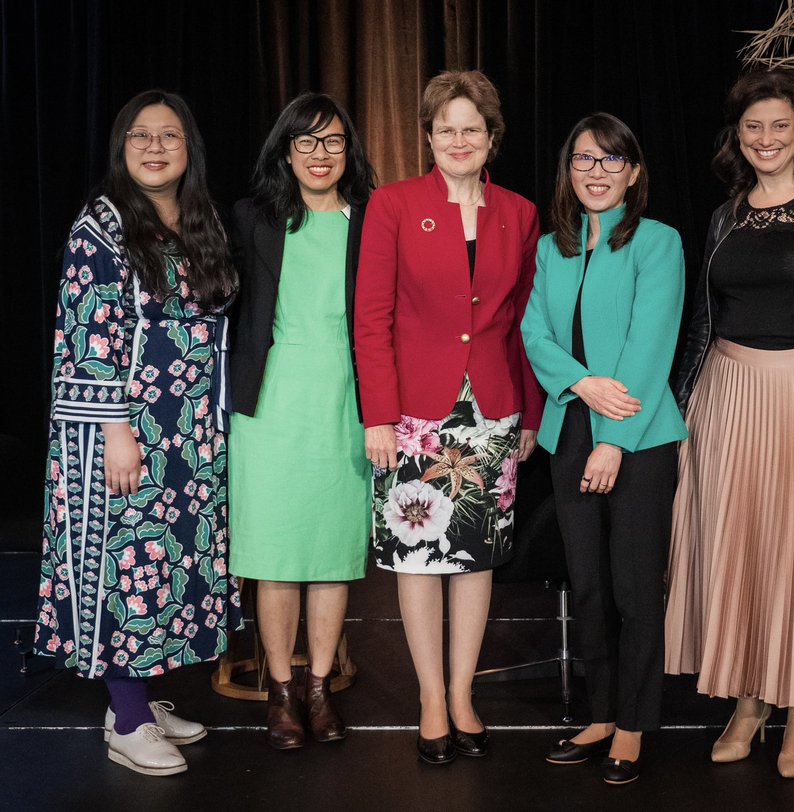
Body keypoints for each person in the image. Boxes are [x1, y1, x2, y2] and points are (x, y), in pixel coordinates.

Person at [665, 69, 794, 779]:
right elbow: (703, 319)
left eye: (779, 125)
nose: (766, 139)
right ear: (738, 136)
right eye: (753, 127)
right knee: (739, 551)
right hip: (724, 396)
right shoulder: (726, 214)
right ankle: (750, 700)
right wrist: (682, 402)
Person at [34, 90, 239, 775]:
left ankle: (141, 701)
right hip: (123, 431)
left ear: (190, 149)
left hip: (186, 433)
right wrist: (116, 429)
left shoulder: (196, 219)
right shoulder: (101, 227)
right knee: (129, 563)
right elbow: (87, 334)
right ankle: (125, 719)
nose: (155, 147)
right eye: (141, 136)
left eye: (170, 136)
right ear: (122, 148)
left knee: (168, 566)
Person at [355, 70, 543, 765]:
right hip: (411, 414)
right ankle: (431, 697)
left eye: (471, 129)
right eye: (445, 129)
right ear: (428, 136)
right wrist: (377, 415)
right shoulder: (394, 205)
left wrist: (531, 412)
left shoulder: (519, 213)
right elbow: (370, 319)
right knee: (417, 557)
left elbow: (526, 320)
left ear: (491, 137)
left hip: (493, 410)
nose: (457, 140)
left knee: (476, 558)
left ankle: (463, 692)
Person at [522, 113, 686, 786]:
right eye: (585, 160)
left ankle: (634, 724)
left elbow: (652, 346)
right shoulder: (549, 248)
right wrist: (580, 382)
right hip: (570, 431)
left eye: (611, 161)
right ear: (569, 171)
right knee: (587, 586)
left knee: (634, 589)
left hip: (640, 438)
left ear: (634, 173)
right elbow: (534, 334)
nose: (597, 172)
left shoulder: (658, 242)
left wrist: (613, 441)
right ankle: (600, 711)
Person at [227, 93, 376, 749]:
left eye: (334, 141)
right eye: (307, 142)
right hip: (271, 406)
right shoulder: (251, 218)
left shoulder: (372, 221)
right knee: (276, 554)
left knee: (332, 556)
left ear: (351, 151)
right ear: (285, 151)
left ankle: (320, 690)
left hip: (345, 400)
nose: (321, 155)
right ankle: (282, 692)